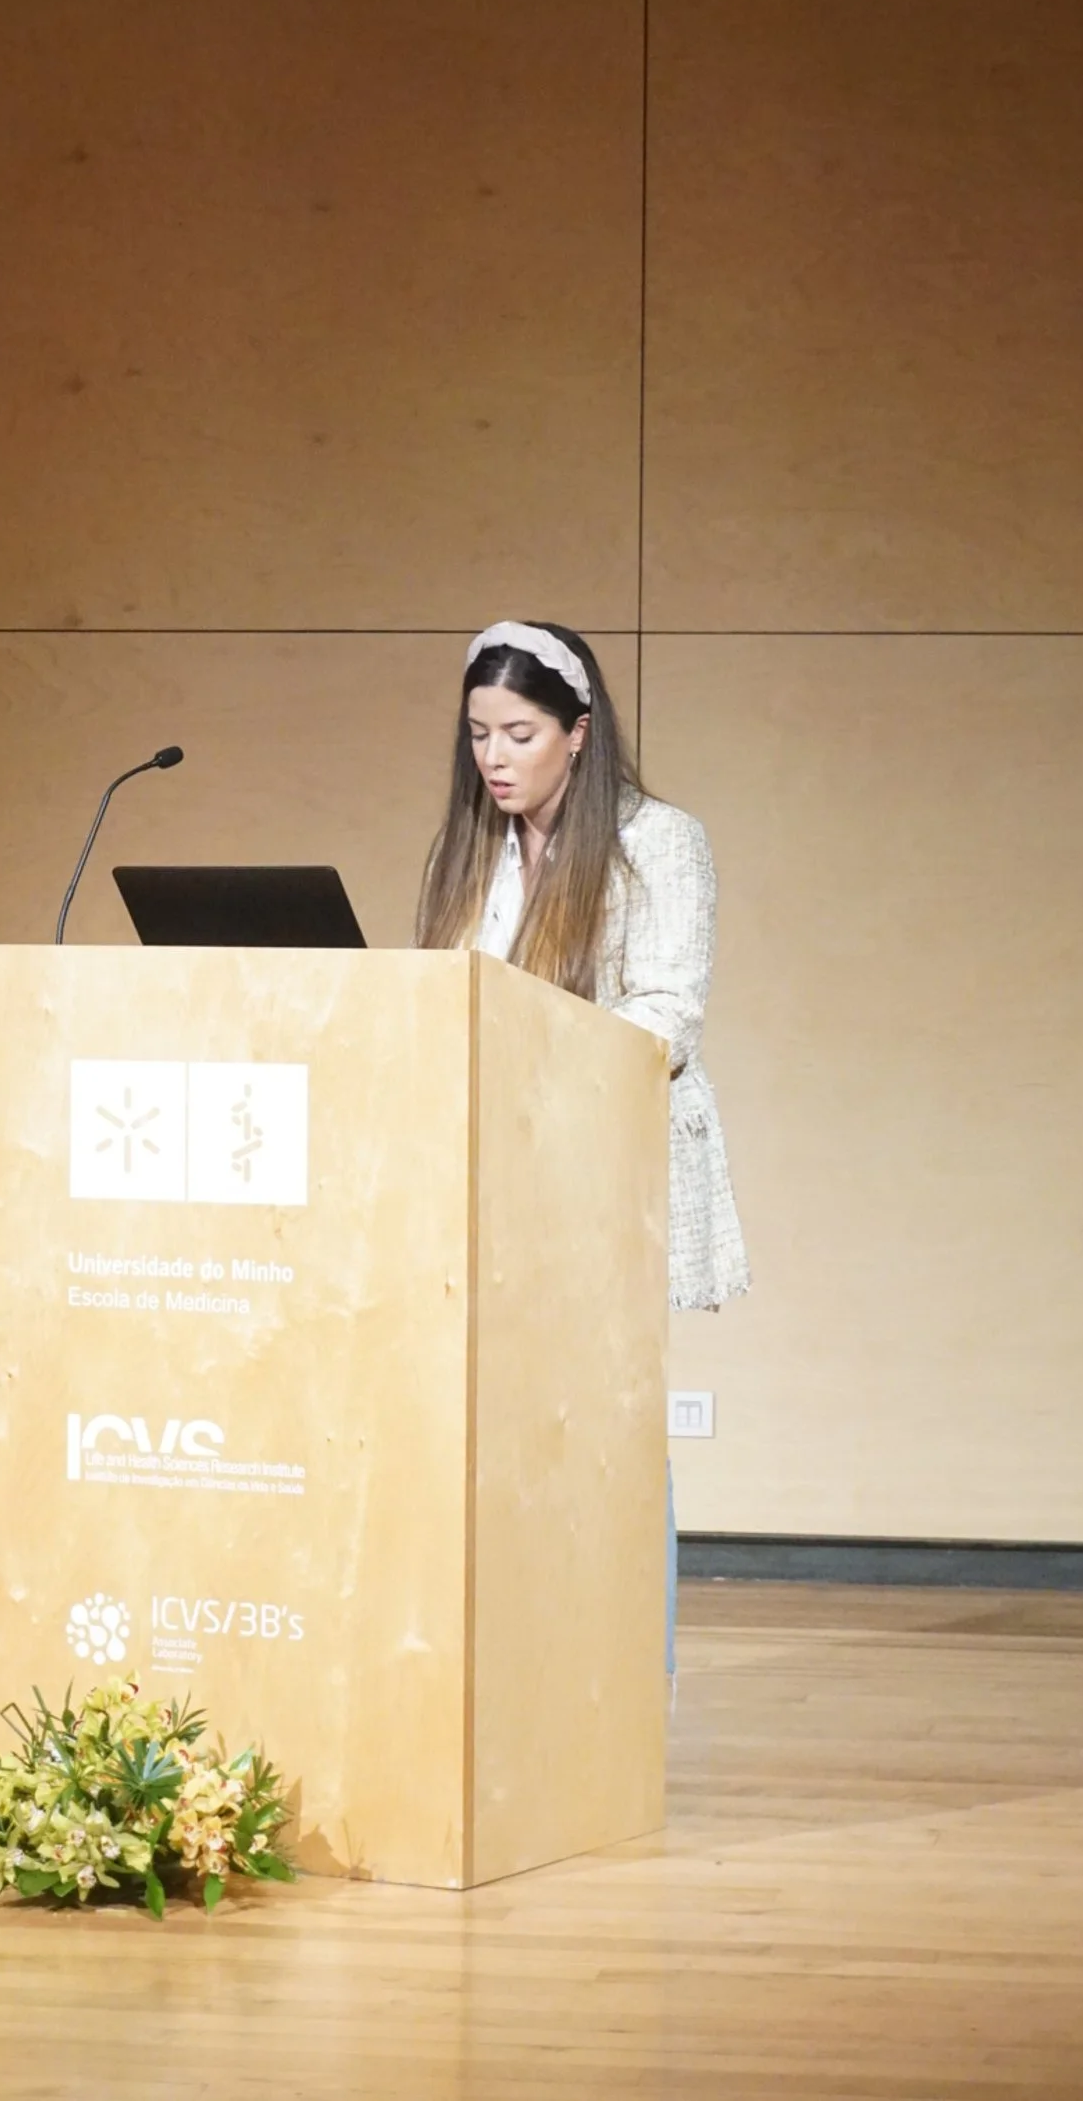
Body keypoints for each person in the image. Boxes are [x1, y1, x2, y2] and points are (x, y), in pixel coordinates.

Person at [416, 618, 749, 1682]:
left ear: (579, 732)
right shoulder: (475, 849)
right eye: (479, 735)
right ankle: (512, 1674)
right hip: (485, 1178)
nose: (495, 757)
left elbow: (667, 1015)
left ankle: (624, 1681)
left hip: (601, 1176)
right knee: (491, 1435)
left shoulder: (659, 841)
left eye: (519, 734)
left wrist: (534, 1051)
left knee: (604, 1433)